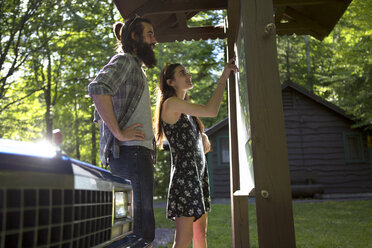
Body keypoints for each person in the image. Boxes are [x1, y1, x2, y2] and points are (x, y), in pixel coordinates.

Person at [88, 16, 157, 246]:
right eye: (149, 34)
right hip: (131, 153)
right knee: (137, 233)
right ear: (135, 37)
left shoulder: (136, 68)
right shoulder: (126, 61)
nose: (154, 40)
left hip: (137, 154)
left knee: (141, 230)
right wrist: (118, 133)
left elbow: (99, 115)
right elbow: (98, 88)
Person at [154, 58, 238, 248]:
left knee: (200, 233)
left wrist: (203, 134)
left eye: (187, 71)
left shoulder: (185, 110)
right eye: (182, 73)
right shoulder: (171, 103)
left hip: (197, 177)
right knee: (183, 239)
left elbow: (193, 135)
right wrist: (223, 78)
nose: (188, 75)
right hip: (185, 179)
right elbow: (211, 110)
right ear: (170, 82)